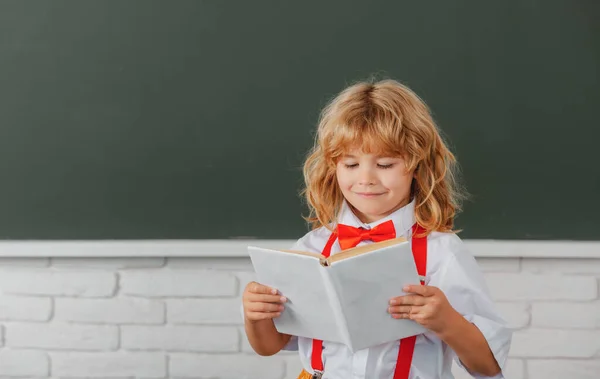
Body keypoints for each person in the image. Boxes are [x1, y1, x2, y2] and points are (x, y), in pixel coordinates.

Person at [242, 79, 511, 379]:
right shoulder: (311, 248)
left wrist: (447, 320)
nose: (366, 179)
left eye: (384, 164)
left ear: (417, 165)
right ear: (333, 167)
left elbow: (488, 366)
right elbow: (271, 345)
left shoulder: (442, 254)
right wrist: (256, 317)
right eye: (351, 164)